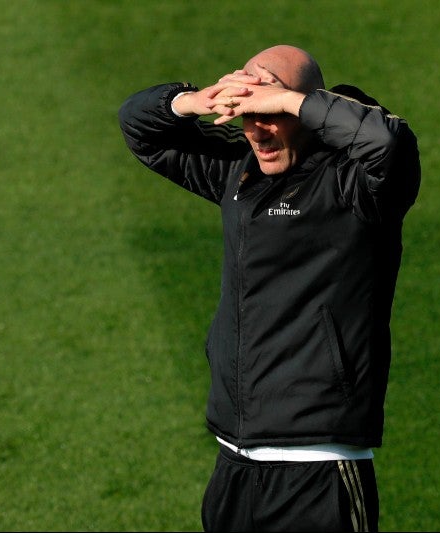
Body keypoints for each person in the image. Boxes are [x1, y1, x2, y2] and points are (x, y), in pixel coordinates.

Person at [118, 44, 421, 532]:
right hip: (235, 464)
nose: (257, 130)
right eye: (247, 115)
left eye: (270, 113)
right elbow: (141, 130)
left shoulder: (358, 183)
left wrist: (287, 100)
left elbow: (388, 141)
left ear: (303, 108)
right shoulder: (240, 172)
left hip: (318, 465)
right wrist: (193, 101)